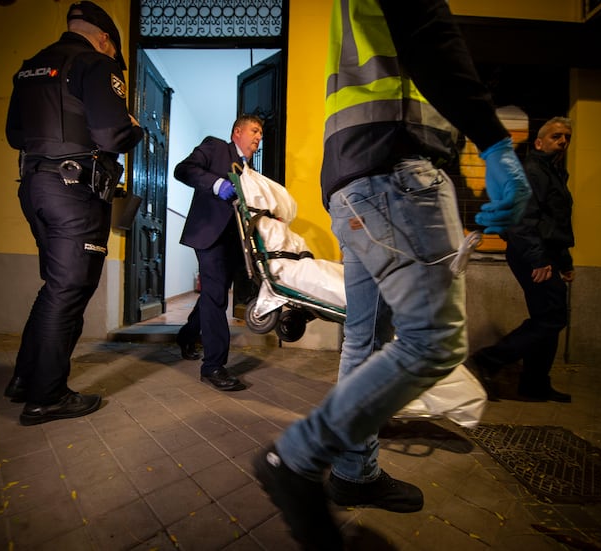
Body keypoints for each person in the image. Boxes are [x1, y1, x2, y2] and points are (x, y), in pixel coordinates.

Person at [252, 0, 531, 547]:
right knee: (435, 340)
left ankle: (354, 473)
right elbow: (427, 30)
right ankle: (295, 458)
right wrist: (494, 141)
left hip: (356, 180)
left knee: (366, 338)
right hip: (395, 171)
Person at [3, 1, 143, 426]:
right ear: (104, 39)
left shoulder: (30, 67)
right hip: (74, 192)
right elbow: (113, 135)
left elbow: (15, 135)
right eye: (112, 48)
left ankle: (25, 380)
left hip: (35, 186)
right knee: (69, 290)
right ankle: (47, 396)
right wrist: (134, 127)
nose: (112, 54)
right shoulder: (96, 64)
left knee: (56, 287)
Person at [469, 116, 575, 403]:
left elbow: (554, 222)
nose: (563, 141)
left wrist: (564, 262)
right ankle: (488, 359)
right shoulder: (532, 172)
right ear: (539, 143)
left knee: (547, 319)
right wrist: (539, 259)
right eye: (556, 136)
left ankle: (534, 384)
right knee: (552, 317)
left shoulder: (552, 173)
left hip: (545, 253)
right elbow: (522, 221)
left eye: (567, 137)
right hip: (531, 253)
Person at [174, 114, 264, 391]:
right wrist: (217, 184)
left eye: (261, 134)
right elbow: (183, 169)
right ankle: (213, 366)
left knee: (215, 294)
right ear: (237, 132)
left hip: (236, 241)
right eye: (254, 130)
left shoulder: (251, 171)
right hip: (209, 233)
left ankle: (187, 335)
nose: (259, 137)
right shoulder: (215, 147)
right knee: (216, 297)